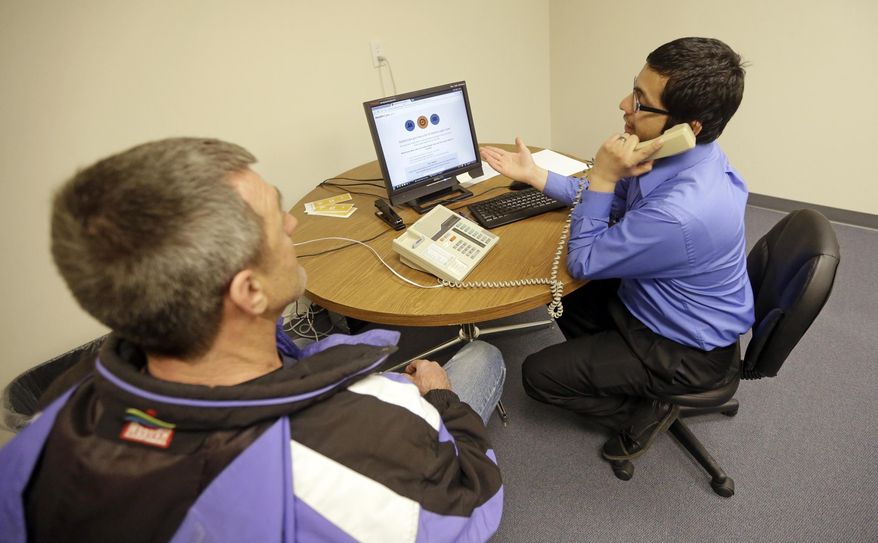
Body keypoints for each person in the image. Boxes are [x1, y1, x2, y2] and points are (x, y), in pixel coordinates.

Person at [0, 138, 505, 542]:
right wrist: (439, 399)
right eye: (276, 222)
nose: (292, 223)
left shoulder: (45, 432)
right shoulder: (370, 427)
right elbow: (473, 506)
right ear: (250, 292)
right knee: (481, 358)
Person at [480, 37, 754, 462]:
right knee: (557, 290)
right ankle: (617, 368)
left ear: (689, 127)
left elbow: (583, 259)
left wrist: (605, 177)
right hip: (658, 300)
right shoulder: (679, 155)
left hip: (683, 348)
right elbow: (609, 202)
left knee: (538, 375)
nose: (624, 104)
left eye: (641, 102)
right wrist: (537, 176)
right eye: (633, 89)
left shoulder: (681, 212)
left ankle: (644, 411)